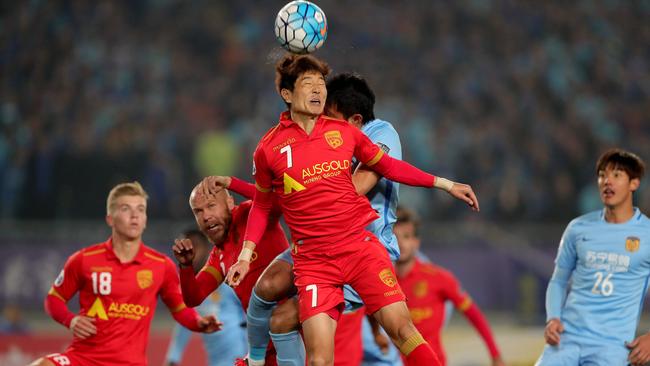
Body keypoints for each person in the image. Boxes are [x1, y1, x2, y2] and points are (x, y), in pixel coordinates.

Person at [227, 53, 479, 366]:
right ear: (287, 94)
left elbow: (389, 166)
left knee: (403, 329)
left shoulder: (344, 132)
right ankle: (254, 359)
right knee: (319, 359)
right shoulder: (268, 149)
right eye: (309, 84)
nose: (318, 90)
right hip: (314, 262)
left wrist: (445, 183)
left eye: (321, 83)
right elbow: (263, 205)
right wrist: (243, 255)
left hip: (359, 248)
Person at [202, 72, 405, 366]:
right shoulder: (325, 141)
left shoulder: (381, 134)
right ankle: (255, 359)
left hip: (363, 247)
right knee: (274, 300)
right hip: (319, 247)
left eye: (330, 116)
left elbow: (352, 188)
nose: (322, 122)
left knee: (395, 334)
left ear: (355, 119)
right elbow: (276, 195)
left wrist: (305, 181)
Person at [29, 182, 220, 366]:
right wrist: (71, 320)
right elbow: (53, 299)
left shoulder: (161, 266)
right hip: (84, 358)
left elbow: (180, 309)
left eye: (140, 209)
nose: (134, 215)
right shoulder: (84, 260)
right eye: (126, 209)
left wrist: (199, 323)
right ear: (110, 218)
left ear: (145, 219)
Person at [536, 148, 650, 366]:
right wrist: (553, 318)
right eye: (602, 175)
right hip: (566, 341)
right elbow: (558, 280)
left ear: (634, 183)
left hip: (611, 348)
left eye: (616, 175)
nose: (607, 181)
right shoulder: (578, 228)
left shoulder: (647, 234)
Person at [171, 180, 290, 366]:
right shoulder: (219, 255)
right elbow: (193, 298)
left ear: (229, 202)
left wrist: (231, 182)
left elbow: (275, 202)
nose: (206, 216)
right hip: (266, 350)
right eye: (198, 211)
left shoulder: (253, 213)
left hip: (295, 334)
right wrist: (186, 267)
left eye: (211, 206)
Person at [393, 206, 504, 366]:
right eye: (395, 236)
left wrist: (495, 354)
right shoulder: (381, 281)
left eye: (406, 236)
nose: (401, 243)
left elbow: (474, 315)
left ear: (416, 242)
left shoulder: (438, 278)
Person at [164, 229, 247, 366]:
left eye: (195, 245)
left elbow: (249, 307)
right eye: (184, 248)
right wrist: (174, 357)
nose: (191, 252)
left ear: (207, 248)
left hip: (241, 355)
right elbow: (185, 322)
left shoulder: (226, 276)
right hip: (216, 359)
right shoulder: (188, 289)